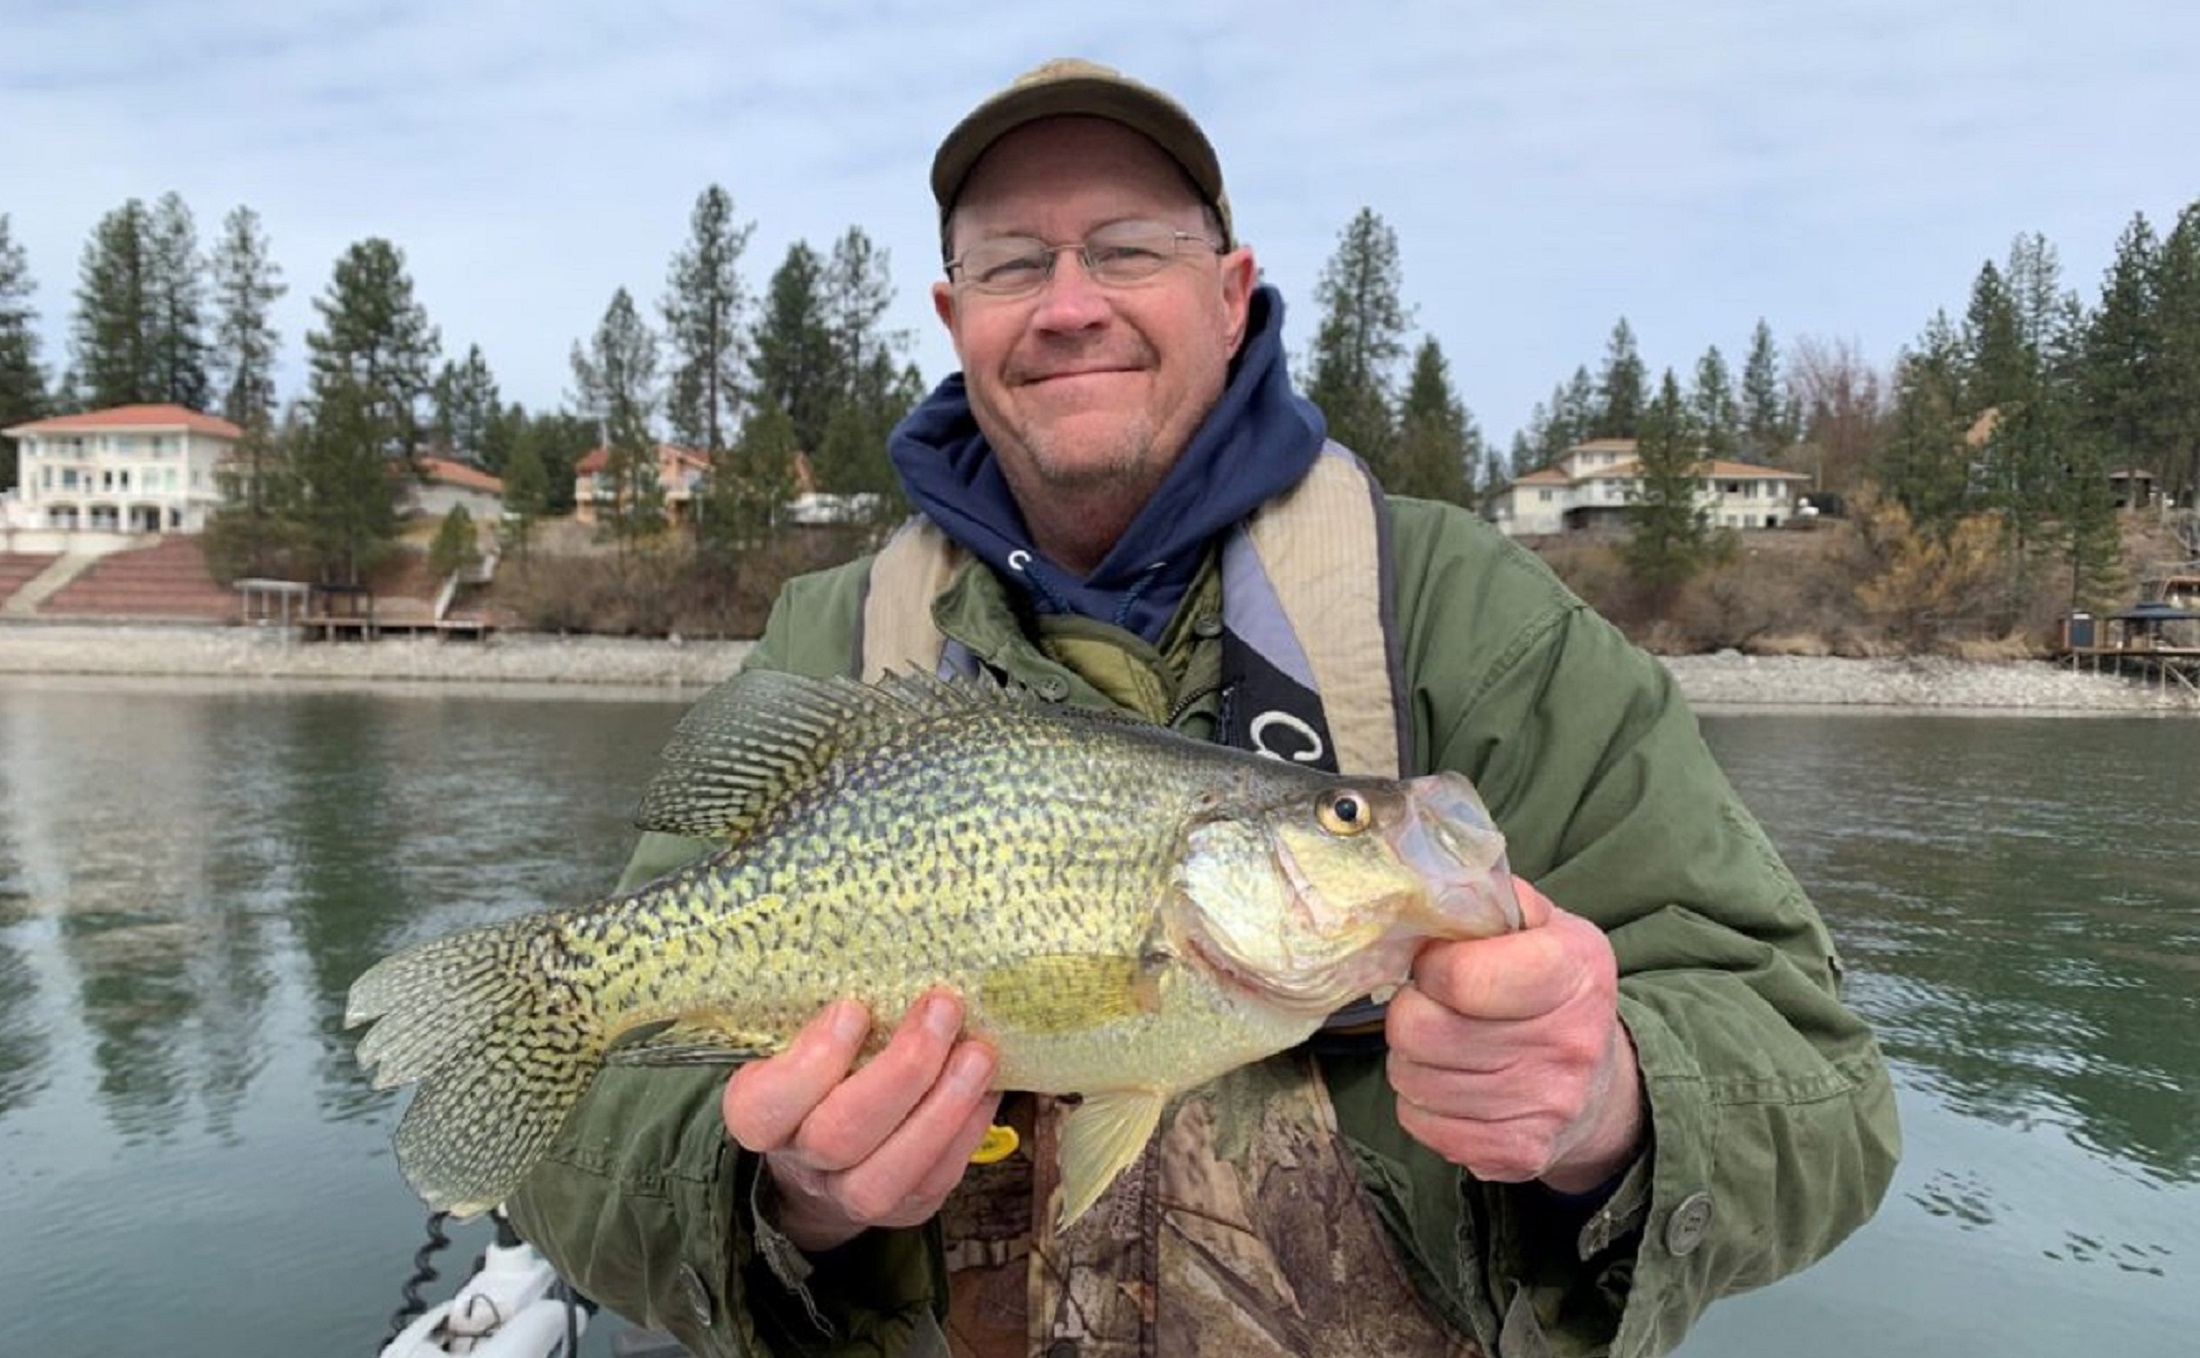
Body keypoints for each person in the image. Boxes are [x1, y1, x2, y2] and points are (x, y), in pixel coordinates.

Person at [506, 57, 1899, 1358]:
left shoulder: (1467, 619)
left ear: (1230, 292)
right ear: (956, 316)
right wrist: (784, 1190)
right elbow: (576, 1146)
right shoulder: (831, 641)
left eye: (1127, 248)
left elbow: (1825, 1086)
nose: (1069, 302)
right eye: (1013, 263)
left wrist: (1611, 1104)